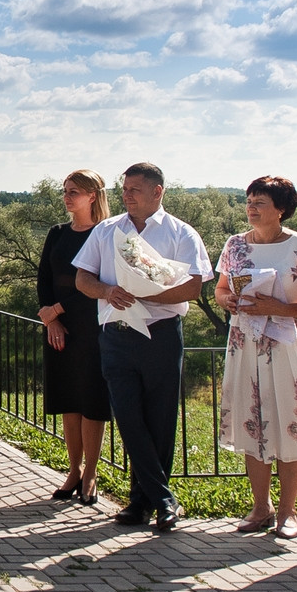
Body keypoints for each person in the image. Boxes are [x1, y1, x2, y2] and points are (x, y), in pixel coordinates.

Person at [73, 163, 213, 531]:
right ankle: (164, 500)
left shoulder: (181, 233)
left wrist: (144, 290)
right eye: (125, 189)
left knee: (160, 419)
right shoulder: (107, 230)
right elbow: (82, 277)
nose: (127, 195)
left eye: (135, 189)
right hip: (116, 335)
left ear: (158, 191)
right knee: (128, 416)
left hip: (162, 335)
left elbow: (193, 288)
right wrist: (107, 290)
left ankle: (141, 504)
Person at [212, 176, 297, 540]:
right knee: (253, 421)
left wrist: (279, 307)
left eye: (260, 202)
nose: (251, 207)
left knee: (290, 420)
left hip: (287, 346)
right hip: (245, 343)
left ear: (281, 208)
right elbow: (220, 289)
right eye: (249, 201)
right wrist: (227, 301)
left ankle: (288, 511)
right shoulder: (234, 245)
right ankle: (260, 506)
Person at [37, 170, 111, 505]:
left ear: (93, 195)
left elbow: (99, 284)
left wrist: (58, 309)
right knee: (69, 399)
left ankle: (92, 473)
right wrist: (49, 317)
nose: (67, 198)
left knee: (92, 399)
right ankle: (73, 470)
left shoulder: (106, 234)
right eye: (65, 191)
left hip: (92, 324)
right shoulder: (57, 233)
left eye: (74, 192)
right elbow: (44, 278)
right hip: (59, 327)